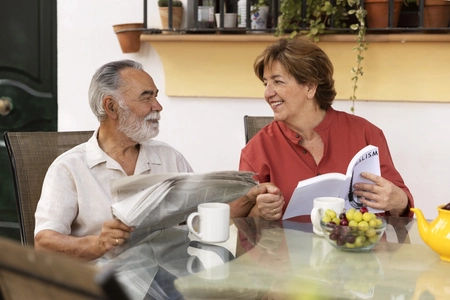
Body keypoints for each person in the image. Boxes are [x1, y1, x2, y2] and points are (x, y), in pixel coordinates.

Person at [34, 59, 274, 262]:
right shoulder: (69, 168)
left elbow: (205, 215)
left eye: (156, 96)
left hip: (172, 277)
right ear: (111, 106)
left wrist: (249, 198)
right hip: (105, 285)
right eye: (146, 98)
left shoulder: (168, 157)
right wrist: (97, 244)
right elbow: (44, 242)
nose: (157, 106)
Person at [238, 37, 414, 221]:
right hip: (290, 250)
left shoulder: (366, 134)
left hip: (359, 247)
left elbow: (403, 213)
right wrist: (259, 211)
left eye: (278, 82)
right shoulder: (257, 149)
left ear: (310, 87)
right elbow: (241, 226)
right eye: (266, 83)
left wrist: (398, 200)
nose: (268, 93)